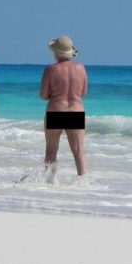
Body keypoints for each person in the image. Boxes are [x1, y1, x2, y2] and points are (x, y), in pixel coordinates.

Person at [40, 35, 87, 178]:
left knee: (51, 151)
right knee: (78, 150)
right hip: (75, 111)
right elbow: (83, 92)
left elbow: (43, 95)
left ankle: (49, 182)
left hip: (56, 111)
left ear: (55, 52)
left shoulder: (51, 69)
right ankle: (83, 183)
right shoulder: (81, 68)